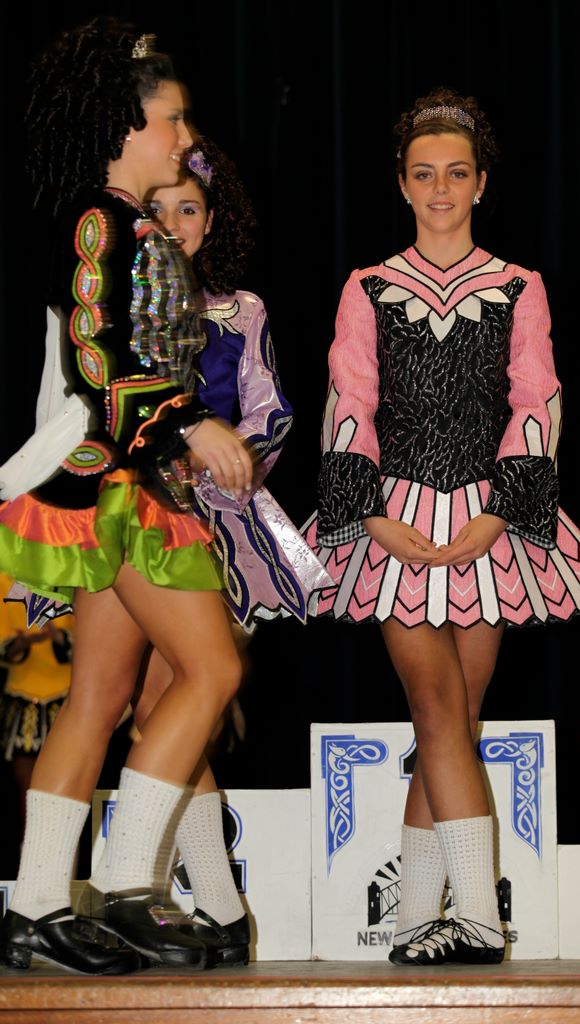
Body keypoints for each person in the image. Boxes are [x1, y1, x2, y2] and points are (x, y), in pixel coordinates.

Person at [304, 86, 580, 966]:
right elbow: (348, 398)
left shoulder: (518, 286)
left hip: (487, 525)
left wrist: (499, 514)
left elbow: (536, 399)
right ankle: (480, 919)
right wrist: (369, 514)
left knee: (454, 721)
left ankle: (416, 919)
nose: (440, 188)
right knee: (436, 706)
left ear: (481, 182)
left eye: (455, 173)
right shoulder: (367, 287)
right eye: (423, 174)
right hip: (395, 522)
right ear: (401, 184)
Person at [0, 18, 251, 974]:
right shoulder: (103, 221)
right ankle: (131, 885)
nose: (185, 136)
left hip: (129, 478)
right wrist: (190, 422)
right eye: (172, 119)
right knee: (211, 672)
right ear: (125, 123)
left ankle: (34, 908)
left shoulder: (119, 221)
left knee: (99, 697)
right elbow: (98, 354)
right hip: (124, 483)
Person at [130, 137, 330, 954]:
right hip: (134, 515)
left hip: (220, 525)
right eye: (160, 209)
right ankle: (216, 909)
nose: (175, 223)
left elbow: (272, 410)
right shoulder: (123, 308)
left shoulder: (240, 310)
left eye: (190, 209)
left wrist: (222, 461)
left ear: (211, 222)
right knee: (152, 712)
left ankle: (198, 902)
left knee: (177, 701)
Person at [0, 572, 73, 832]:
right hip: (22, 697)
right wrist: (22, 642)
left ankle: (68, 848)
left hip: (67, 697)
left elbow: (91, 642)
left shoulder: (70, 574)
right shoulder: (4, 579)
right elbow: (4, 646)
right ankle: (30, 844)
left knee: (67, 790)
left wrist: (57, 636)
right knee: (28, 792)